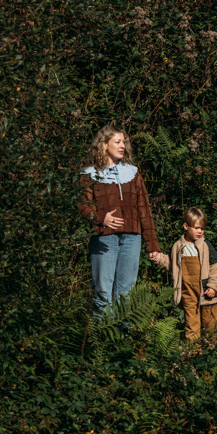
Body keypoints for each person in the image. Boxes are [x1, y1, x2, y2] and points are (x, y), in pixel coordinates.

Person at [77, 125, 163, 318]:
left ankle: (121, 342)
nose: (122, 145)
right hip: (104, 238)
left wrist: (153, 246)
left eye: (124, 141)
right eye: (117, 141)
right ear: (104, 144)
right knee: (103, 292)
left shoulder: (132, 174)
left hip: (132, 239)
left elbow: (145, 211)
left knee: (125, 294)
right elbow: (83, 206)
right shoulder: (90, 174)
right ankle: (102, 342)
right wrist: (101, 218)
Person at [154, 207, 217, 347]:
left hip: (206, 292)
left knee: (210, 323)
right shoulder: (178, 247)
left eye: (202, 229)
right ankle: (193, 353)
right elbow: (172, 264)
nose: (200, 232)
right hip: (187, 292)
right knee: (191, 324)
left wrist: (213, 286)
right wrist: (158, 259)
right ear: (186, 226)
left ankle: (210, 354)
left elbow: (216, 266)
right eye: (197, 228)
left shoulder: (205, 246)